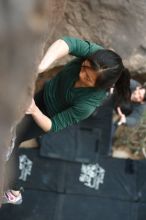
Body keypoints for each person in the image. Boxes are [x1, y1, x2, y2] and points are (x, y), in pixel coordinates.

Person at [2, 36, 131, 205]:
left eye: (87, 78)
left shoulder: (88, 104)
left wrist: (34, 111)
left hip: (46, 116)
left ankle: (14, 191)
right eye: (84, 67)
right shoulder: (96, 57)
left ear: (99, 87)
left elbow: (54, 125)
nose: (81, 73)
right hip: (46, 93)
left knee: (14, 140)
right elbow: (66, 43)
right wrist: (41, 66)